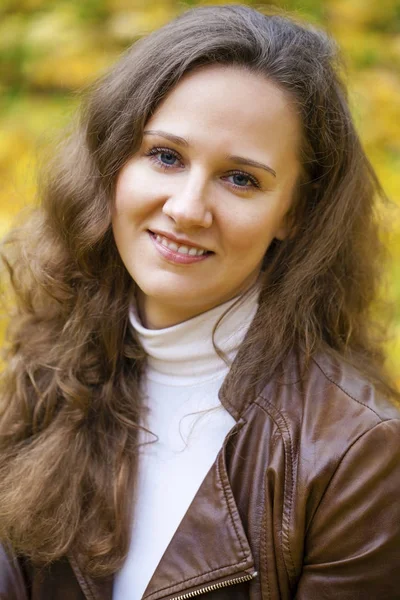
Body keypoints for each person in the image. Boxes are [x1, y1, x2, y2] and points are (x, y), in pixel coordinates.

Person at [0, 4, 399, 599]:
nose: (187, 208)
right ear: (114, 162)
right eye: (165, 156)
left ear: (292, 211)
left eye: (241, 178)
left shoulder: (357, 454)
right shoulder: (41, 367)